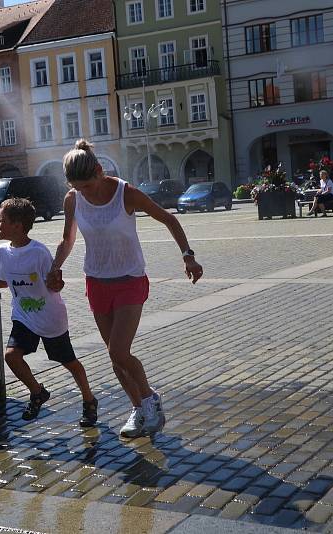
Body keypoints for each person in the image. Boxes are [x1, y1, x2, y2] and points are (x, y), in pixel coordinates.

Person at [47, 139, 203, 439]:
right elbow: (67, 240)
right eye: (78, 188)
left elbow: (169, 219)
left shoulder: (125, 193)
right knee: (114, 358)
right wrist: (56, 267)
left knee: (120, 351)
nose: (84, 193)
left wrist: (188, 256)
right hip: (96, 281)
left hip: (129, 279)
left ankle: (150, 400)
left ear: (99, 171)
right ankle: (139, 409)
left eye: (87, 186)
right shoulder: (73, 199)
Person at [0, 198, 98, 426]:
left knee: (69, 362)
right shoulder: (2, 251)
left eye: (1, 220)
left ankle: (89, 401)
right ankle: (38, 391)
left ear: (18, 225)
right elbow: (4, 280)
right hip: (23, 316)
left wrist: (57, 283)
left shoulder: (38, 252)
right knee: (11, 356)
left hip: (50, 318)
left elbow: (55, 283)